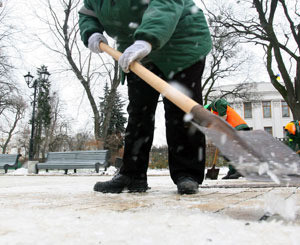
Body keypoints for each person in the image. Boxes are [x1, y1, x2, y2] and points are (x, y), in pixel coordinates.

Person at [78, 1, 212, 194]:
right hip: (135, 51)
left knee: (180, 112)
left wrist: (147, 39)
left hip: (182, 44)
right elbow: (87, 13)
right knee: (139, 113)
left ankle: (187, 174)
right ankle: (132, 175)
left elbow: (166, 4)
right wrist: (90, 31)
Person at [205, 98, 250, 179]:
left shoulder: (215, 104)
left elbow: (221, 102)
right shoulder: (212, 113)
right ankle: (232, 171)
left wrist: (221, 119)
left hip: (237, 127)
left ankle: (240, 170)